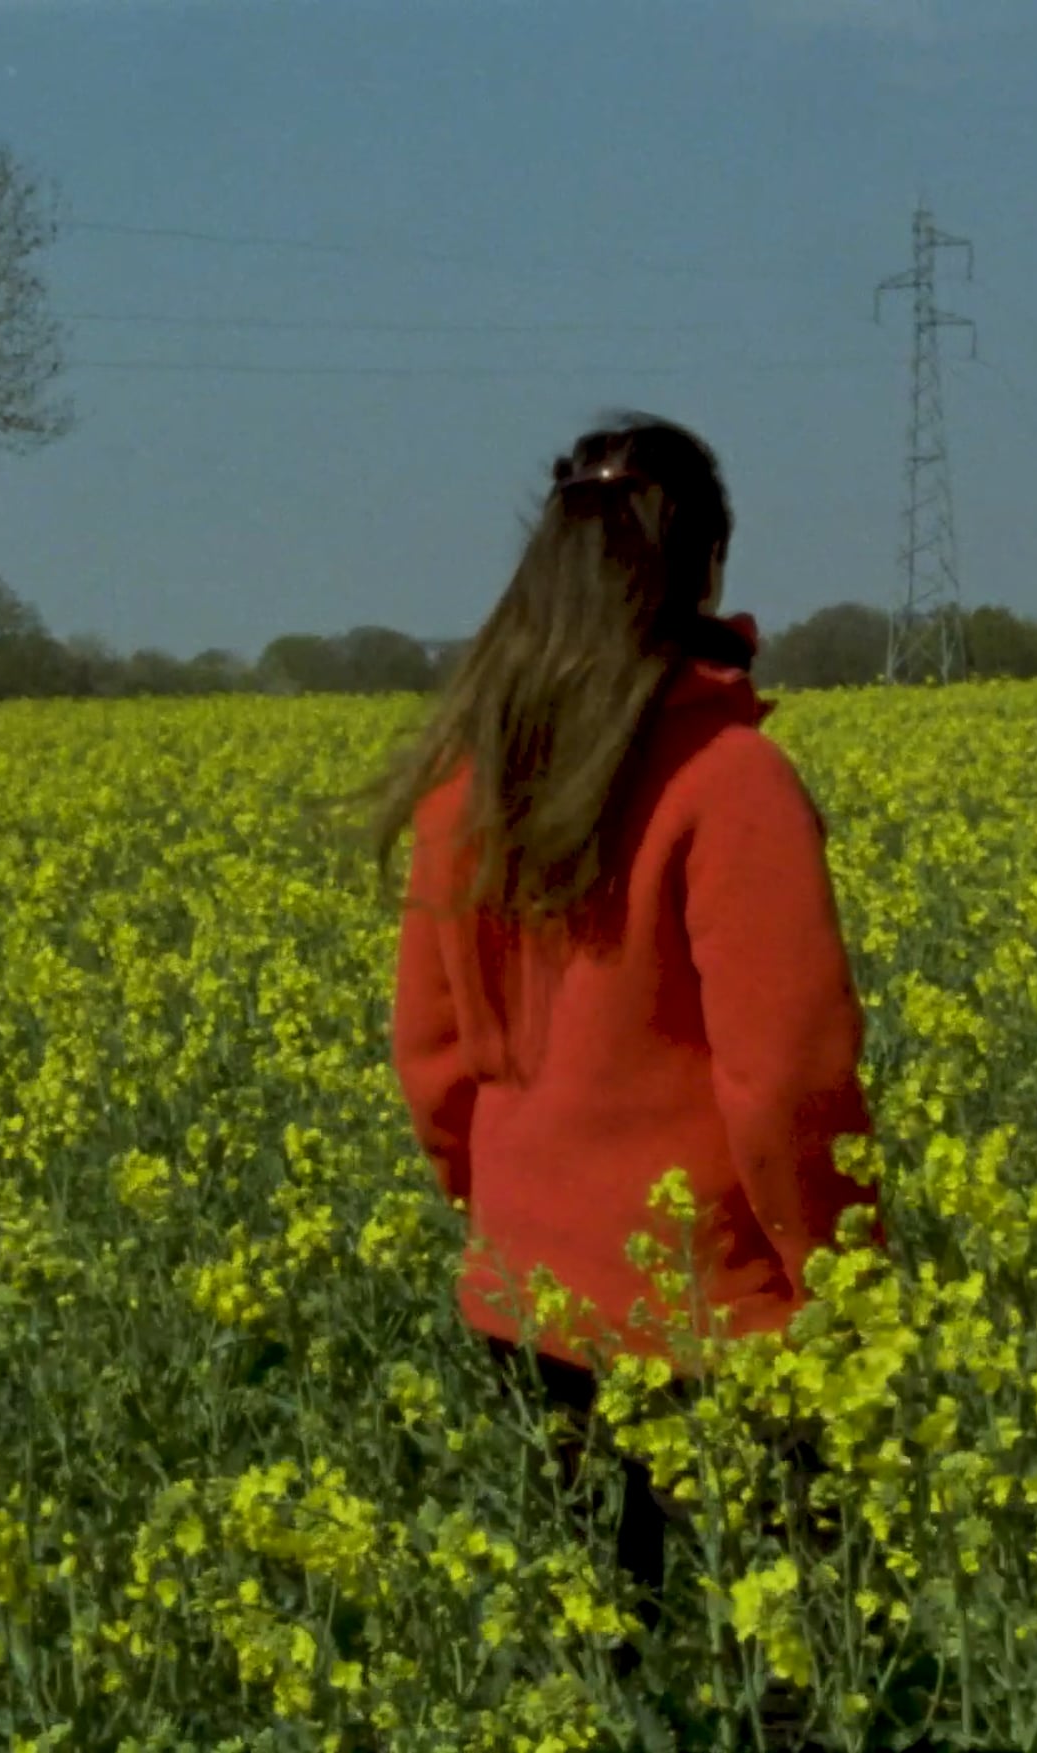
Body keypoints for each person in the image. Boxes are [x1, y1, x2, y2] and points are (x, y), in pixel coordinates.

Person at [368, 413, 878, 1659]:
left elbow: (431, 1058)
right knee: (794, 1669)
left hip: (528, 1307)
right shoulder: (729, 777)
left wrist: (510, 1218)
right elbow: (787, 1078)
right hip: (717, 1317)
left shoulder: (467, 783)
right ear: (709, 564)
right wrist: (846, 1279)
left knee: (603, 1667)